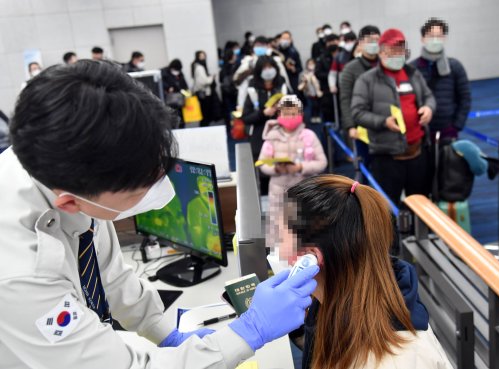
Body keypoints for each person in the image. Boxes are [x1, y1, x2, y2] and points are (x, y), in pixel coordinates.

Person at [0, 60, 319, 368]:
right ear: (69, 203)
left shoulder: (62, 158)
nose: (160, 187)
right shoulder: (19, 272)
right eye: (140, 187)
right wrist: (249, 332)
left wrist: (165, 332)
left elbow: (110, 275)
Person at [277, 174, 452, 369]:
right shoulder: (332, 301)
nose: (276, 250)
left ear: (310, 259)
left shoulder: (396, 360)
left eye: (281, 238)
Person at [352, 29, 436, 207]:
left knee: (420, 202)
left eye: (401, 50)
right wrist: (383, 122)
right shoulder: (367, 80)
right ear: (381, 52)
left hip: (417, 151)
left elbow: (429, 96)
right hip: (387, 156)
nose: (398, 55)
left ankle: (418, 234)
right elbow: (358, 112)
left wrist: (428, 108)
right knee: (388, 206)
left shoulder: (413, 74)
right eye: (393, 50)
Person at [258, 95, 327, 246]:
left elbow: (322, 162)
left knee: (308, 236)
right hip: (279, 193)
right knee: (281, 237)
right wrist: (275, 168)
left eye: (293, 113)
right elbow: (262, 164)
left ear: (300, 115)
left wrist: (301, 167)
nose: (289, 117)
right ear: (279, 115)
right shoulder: (271, 137)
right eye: (285, 113)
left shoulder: (309, 136)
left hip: (306, 192)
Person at [411, 18, 471, 142]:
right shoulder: (412, 69)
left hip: (448, 130)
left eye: (439, 36)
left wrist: (456, 126)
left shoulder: (455, 66)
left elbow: (465, 98)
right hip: (420, 131)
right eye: (431, 36)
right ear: (422, 39)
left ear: (444, 38)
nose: (435, 40)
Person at [242, 56, 289, 196]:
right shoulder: (253, 89)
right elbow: (246, 117)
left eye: (271, 67)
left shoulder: (282, 84)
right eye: (264, 68)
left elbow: (296, 110)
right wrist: (263, 113)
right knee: (263, 173)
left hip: (282, 133)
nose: (268, 71)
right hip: (259, 135)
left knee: (284, 173)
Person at [339, 25, 381, 180]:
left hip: (385, 127)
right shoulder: (350, 69)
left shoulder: (385, 64)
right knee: (364, 169)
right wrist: (350, 126)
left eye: (377, 40)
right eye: (370, 40)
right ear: (361, 43)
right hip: (361, 127)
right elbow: (345, 98)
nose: (374, 43)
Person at [233, 36, 291, 110]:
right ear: (253, 47)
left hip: (273, 92)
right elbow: (237, 79)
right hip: (252, 93)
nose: (259, 47)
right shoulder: (248, 61)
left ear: (267, 46)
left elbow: (284, 78)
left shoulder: (274, 60)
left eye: (262, 45)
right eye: (257, 45)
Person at [315, 34, 340, 124]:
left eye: (334, 41)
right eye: (330, 42)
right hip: (327, 92)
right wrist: (331, 76)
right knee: (328, 117)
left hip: (343, 91)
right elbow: (318, 73)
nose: (332, 43)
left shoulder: (344, 55)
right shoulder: (322, 58)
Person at [191, 50, 220, 126]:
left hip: (204, 93)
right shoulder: (199, 67)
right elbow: (203, 81)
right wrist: (211, 78)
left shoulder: (198, 66)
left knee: (205, 114)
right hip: (204, 93)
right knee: (205, 114)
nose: (203, 57)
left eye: (204, 56)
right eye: (201, 56)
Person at [298, 58, 323, 124]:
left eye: (312, 64)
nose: (311, 65)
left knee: (317, 105)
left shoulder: (318, 72)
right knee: (311, 106)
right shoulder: (303, 74)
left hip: (317, 93)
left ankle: (317, 116)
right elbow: (300, 85)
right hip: (308, 93)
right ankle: (312, 118)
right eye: (309, 64)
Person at [278, 31, 303, 96]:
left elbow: (300, 68)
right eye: (283, 38)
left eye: (287, 38)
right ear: (280, 39)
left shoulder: (294, 52)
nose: (285, 40)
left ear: (291, 40)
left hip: (292, 80)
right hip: (280, 81)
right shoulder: (276, 52)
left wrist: (293, 69)